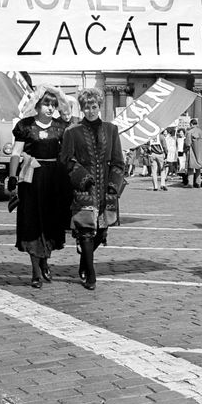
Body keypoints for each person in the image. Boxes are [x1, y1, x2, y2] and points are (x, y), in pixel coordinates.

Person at [59, 88, 125, 290]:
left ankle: (84, 262)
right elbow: (66, 160)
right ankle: (91, 274)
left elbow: (118, 162)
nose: (90, 111)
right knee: (86, 231)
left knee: (100, 232)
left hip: (106, 188)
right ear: (82, 108)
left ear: (99, 106)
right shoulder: (72, 131)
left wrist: (114, 185)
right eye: (86, 107)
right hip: (83, 189)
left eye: (94, 106)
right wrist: (83, 178)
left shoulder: (111, 130)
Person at [7, 85, 72, 289]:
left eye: (53, 104)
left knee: (51, 222)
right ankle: (36, 269)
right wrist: (12, 176)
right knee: (32, 223)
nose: (50, 108)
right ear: (37, 105)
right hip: (31, 178)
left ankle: (45, 260)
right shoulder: (25, 126)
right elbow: (16, 152)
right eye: (46, 104)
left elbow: (68, 154)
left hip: (55, 179)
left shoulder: (61, 127)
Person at [185, 118, 202, 187]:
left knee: (190, 167)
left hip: (191, 151)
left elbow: (187, 143)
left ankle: (190, 183)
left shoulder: (189, 132)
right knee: (198, 168)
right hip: (200, 152)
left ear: (191, 124)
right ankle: (198, 182)